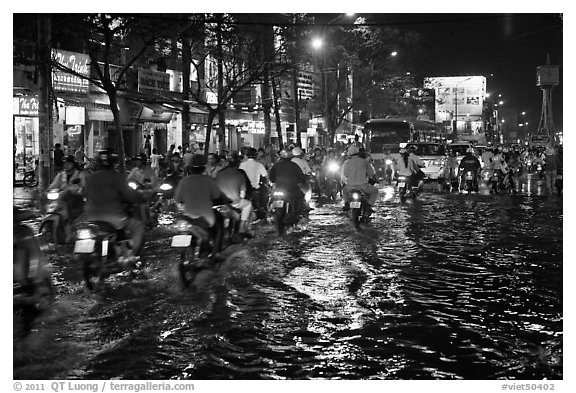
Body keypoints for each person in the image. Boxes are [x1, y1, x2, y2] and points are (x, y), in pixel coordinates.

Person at [80, 150, 146, 257]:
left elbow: (84, 194)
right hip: (114, 218)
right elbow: (130, 195)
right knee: (139, 227)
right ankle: (132, 257)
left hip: (90, 217)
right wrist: (141, 198)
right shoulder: (116, 177)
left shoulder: (90, 178)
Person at [174, 154, 232, 254]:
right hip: (205, 218)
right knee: (219, 227)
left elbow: (178, 199)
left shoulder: (184, 181)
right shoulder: (208, 180)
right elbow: (217, 196)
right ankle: (216, 253)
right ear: (204, 167)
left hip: (188, 216)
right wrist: (226, 200)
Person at [215, 152, 255, 237]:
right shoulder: (240, 174)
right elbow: (243, 193)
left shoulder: (219, 173)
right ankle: (242, 227)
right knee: (248, 205)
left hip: (220, 202)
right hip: (234, 202)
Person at [47, 155, 87, 241]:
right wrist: (48, 190)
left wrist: (78, 189)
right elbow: (54, 184)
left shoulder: (80, 174)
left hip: (76, 198)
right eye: (65, 163)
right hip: (61, 198)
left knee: (68, 215)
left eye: (69, 163)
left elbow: (83, 186)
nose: (66, 165)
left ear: (73, 164)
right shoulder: (61, 175)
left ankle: (70, 234)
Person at [269, 149, 307, 220]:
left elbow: (271, 177)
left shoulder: (276, 165)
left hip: (278, 189)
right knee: (301, 197)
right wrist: (303, 180)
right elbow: (301, 177)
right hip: (291, 189)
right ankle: (299, 214)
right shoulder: (294, 166)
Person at [340, 145, 378, 215]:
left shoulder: (347, 162)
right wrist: (375, 179)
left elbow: (345, 175)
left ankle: (346, 204)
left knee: (344, 191)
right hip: (363, 186)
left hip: (350, 186)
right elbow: (371, 173)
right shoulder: (364, 162)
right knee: (375, 190)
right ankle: (368, 206)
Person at [240, 147, 269, 220]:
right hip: (255, 188)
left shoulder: (242, 165)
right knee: (266, 195)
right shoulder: (259, 165)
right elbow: (266, 176)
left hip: (243, 189)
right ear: (255, 155)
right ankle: (263, 210)